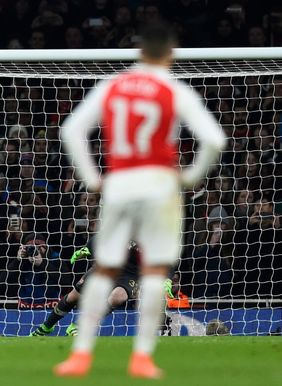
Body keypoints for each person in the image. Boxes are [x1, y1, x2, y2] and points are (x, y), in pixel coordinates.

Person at [57, 23, 225, 379]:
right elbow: (215, 139)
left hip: (119, 185)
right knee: (153, 274)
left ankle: (81, 352)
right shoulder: (172, 89)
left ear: (139, 53)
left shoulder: (113, 86)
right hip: (159, 189)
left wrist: (90, 177)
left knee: (103, 270)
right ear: (169, 54)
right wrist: (191, 177)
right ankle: (143, 357)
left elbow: (70, 130)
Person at [30, 240, 141, 337]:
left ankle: (78, 326)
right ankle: (46, 326)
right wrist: (87, 248)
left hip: (132, 273)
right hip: (108, 264)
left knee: (118, 297)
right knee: (74, 297)